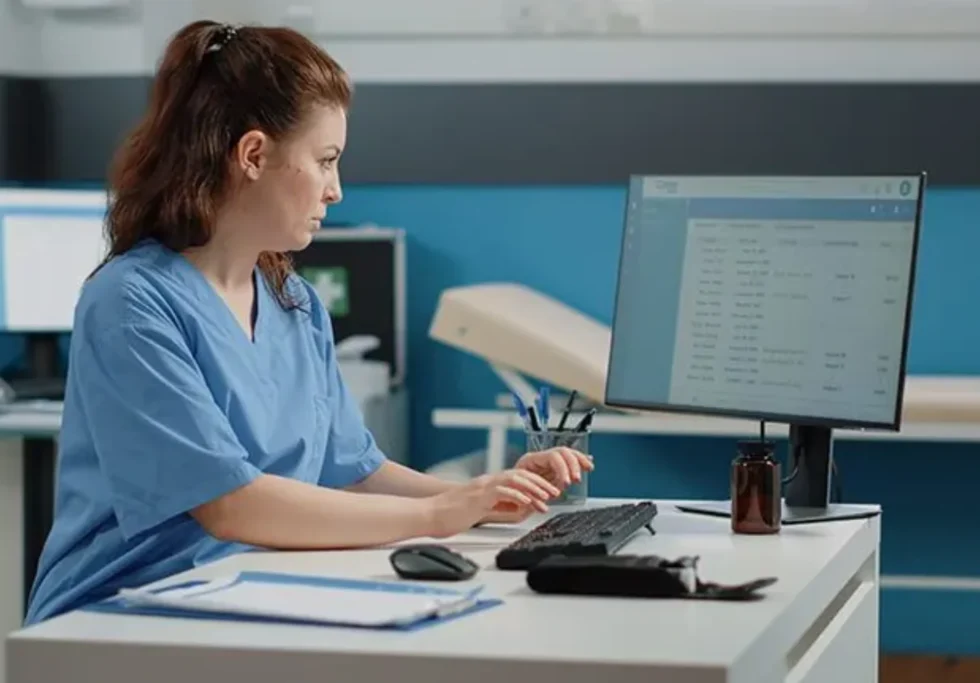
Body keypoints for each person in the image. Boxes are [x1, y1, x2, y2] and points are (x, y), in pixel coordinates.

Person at [24, 20, 592, 625]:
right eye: (325, 161)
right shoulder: (130, 303)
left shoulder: (293, 302)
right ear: (253, 154)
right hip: (115, 616)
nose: (336, 190)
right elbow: (230, 506)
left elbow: (352, 473)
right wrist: (441, 514)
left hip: (242, 591)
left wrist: (488, 495)